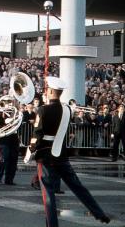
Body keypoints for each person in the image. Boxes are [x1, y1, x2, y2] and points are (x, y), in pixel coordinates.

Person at [27, 76, 110, 227]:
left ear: (51, 91)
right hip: (62, 155)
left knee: (48, 194)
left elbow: (37, 134)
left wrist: (30, 150)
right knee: (78, 187)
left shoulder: (43, 110)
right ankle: (99, 213)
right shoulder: (67, 110)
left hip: (45, 155)